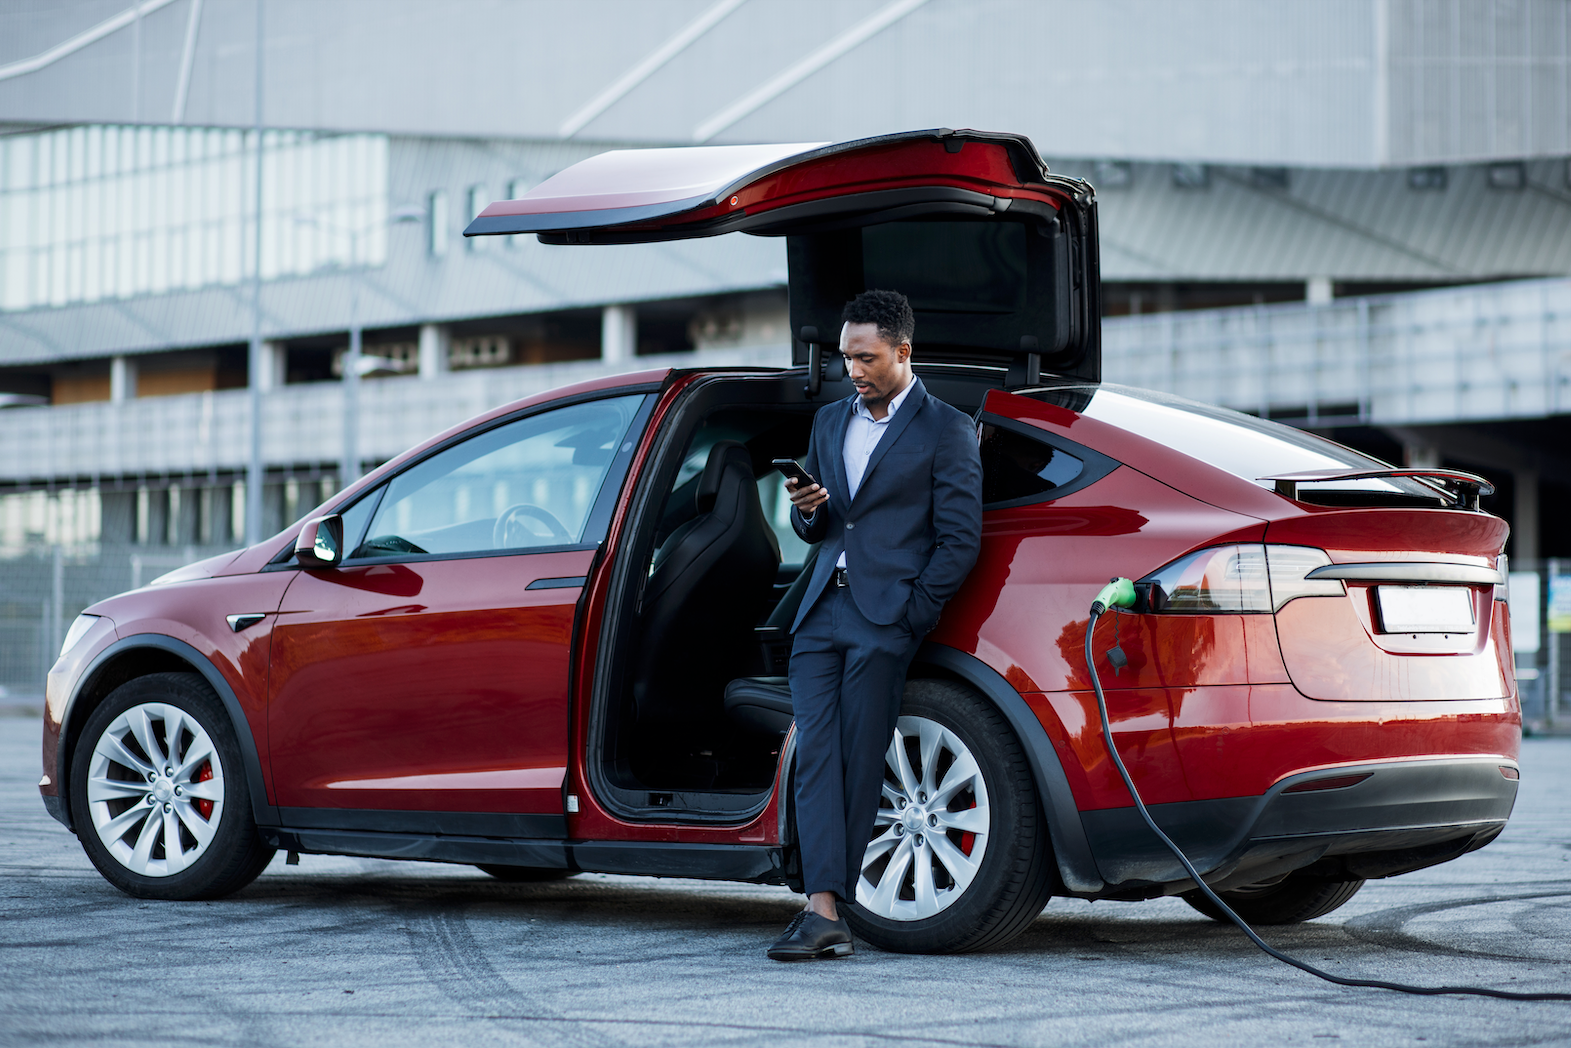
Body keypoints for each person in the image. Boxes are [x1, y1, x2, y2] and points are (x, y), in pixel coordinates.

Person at [768, 289, 984, 961]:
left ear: (902, 352)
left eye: (865, 358)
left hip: (883, 617)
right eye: (844, 358)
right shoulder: (830, 422)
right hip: (819, 612)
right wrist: (806, 508)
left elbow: (959, 540)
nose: (852, 371)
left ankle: (831, 904)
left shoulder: (945, 429)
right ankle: (820, 906)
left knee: (861, 761)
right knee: (816, 758)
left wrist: (911, 615)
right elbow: (822, 527)